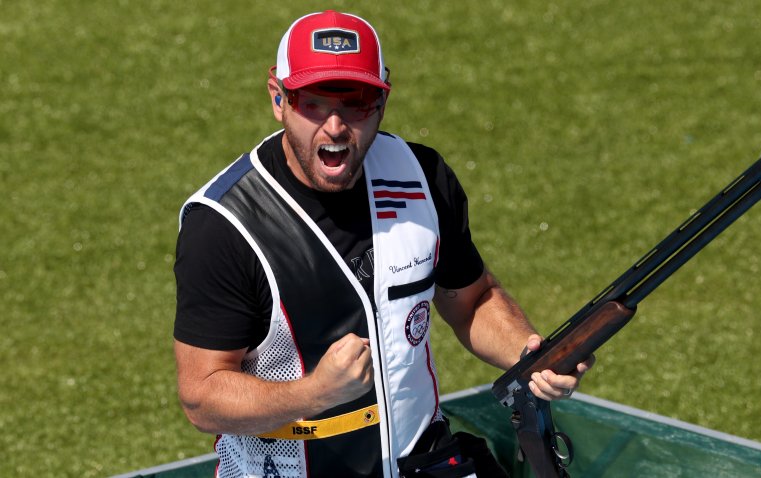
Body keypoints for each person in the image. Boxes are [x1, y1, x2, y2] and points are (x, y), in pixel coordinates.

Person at [173, 10, 594, 478]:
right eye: (313, 102)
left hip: (424, 460)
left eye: (357, 102)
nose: (335, 126)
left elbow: (472, 300)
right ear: (278, 97)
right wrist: (315, 393)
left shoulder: (422, 176)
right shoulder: (223, 225)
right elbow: (202, 397)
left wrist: (531, 355)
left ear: (382, 102)